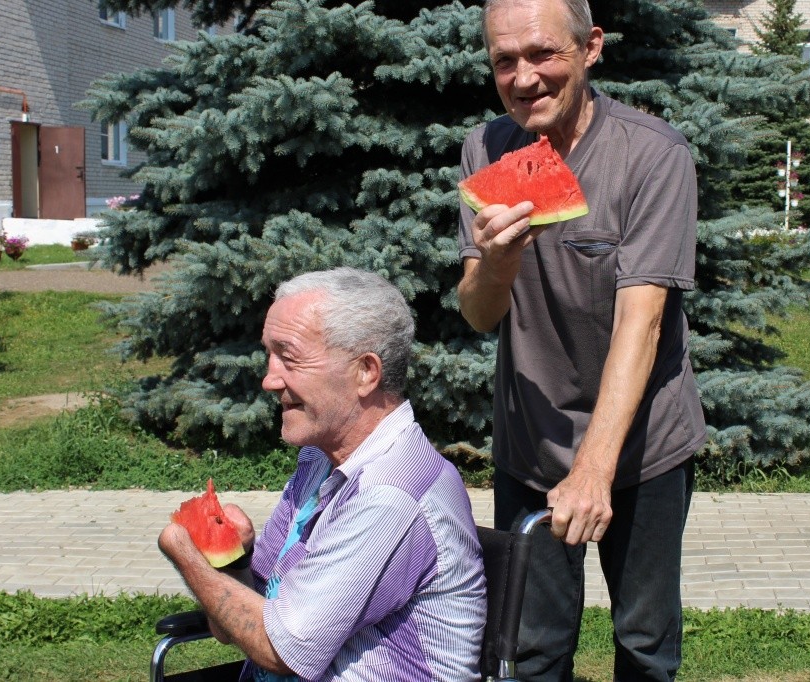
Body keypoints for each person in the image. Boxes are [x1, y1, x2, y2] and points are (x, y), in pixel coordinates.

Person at [456, 1, 707, 680]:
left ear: (591, 47)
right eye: (504, 60)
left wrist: (595, 468)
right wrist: (499, 261)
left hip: (643, 450)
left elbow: (643, 321)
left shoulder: (653, 155)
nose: (524, 77)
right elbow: (479, 313)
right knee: (531, 649)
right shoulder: (487, 148)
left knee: (645, 645)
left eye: (543, 54)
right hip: (529, 445)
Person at [158, 267, 487, 682]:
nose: (269, 379)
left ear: (366, 372)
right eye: (268, 355)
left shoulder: (391, 493)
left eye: (289, 357)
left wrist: (186, 557)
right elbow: (247, 619)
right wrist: (232, 563)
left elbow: (281, 650)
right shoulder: (318, 461)